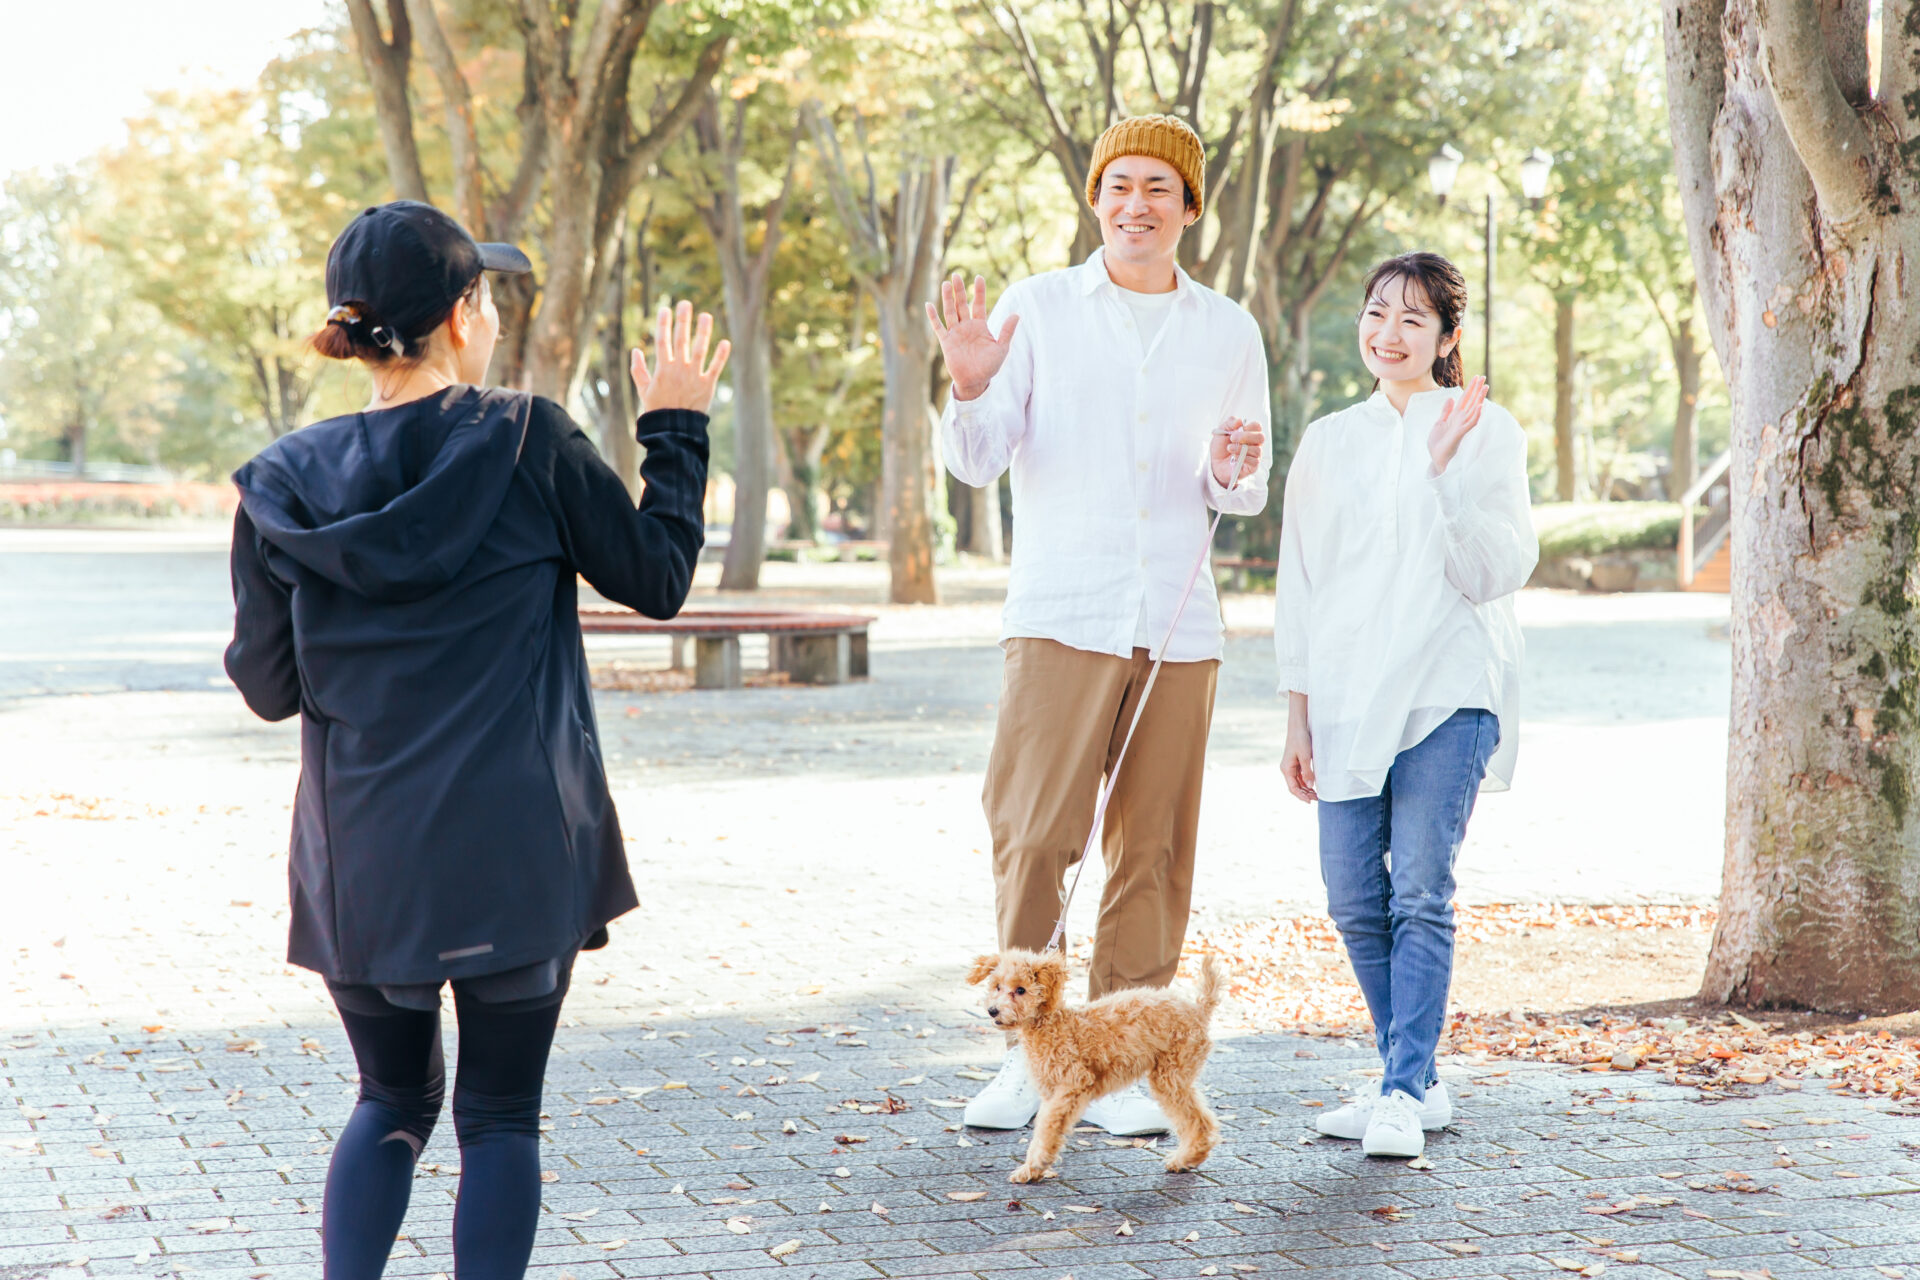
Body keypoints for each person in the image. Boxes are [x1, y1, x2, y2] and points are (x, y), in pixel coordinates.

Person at [223, 200, 729, 1278]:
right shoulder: (528, 440)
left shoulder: (278, 485)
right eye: (485, 296)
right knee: (500, 1116)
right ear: (462, 316)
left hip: (365, 854)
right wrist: (675, 426)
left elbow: (265, 687)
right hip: (516, 848)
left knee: (391, 1099)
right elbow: (659, 578)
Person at [929, 115, 1271, 1137]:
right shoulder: (1037, 308)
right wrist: (970, 380)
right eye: (1119, 184)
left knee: (1154, 848)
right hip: (1061, 610)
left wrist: (1228, 458)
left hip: (1177, 623)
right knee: (1034, 832)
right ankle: (1022, 1048)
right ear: (1095, 198)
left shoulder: (1229, 330)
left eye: (1160, 188)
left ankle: (1123, 1054)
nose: (1137, 204)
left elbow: (1241, 490)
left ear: (1189, 207)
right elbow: (978, 460)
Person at [1274, 251, 1538, 1160]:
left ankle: (1397, 1089)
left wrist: (1438, 474)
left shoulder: (1485, 430)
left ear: (1449, 338)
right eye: (1378, 313)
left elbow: (1496, 571)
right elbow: (1299, 585)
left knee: (1421, 892)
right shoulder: (1328, 438)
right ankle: (1415, 1075)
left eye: (1414, 320)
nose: (1389, 334)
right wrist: (1297, 713)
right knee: (1354, 896)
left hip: (1447, 689)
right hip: (1346, 696)